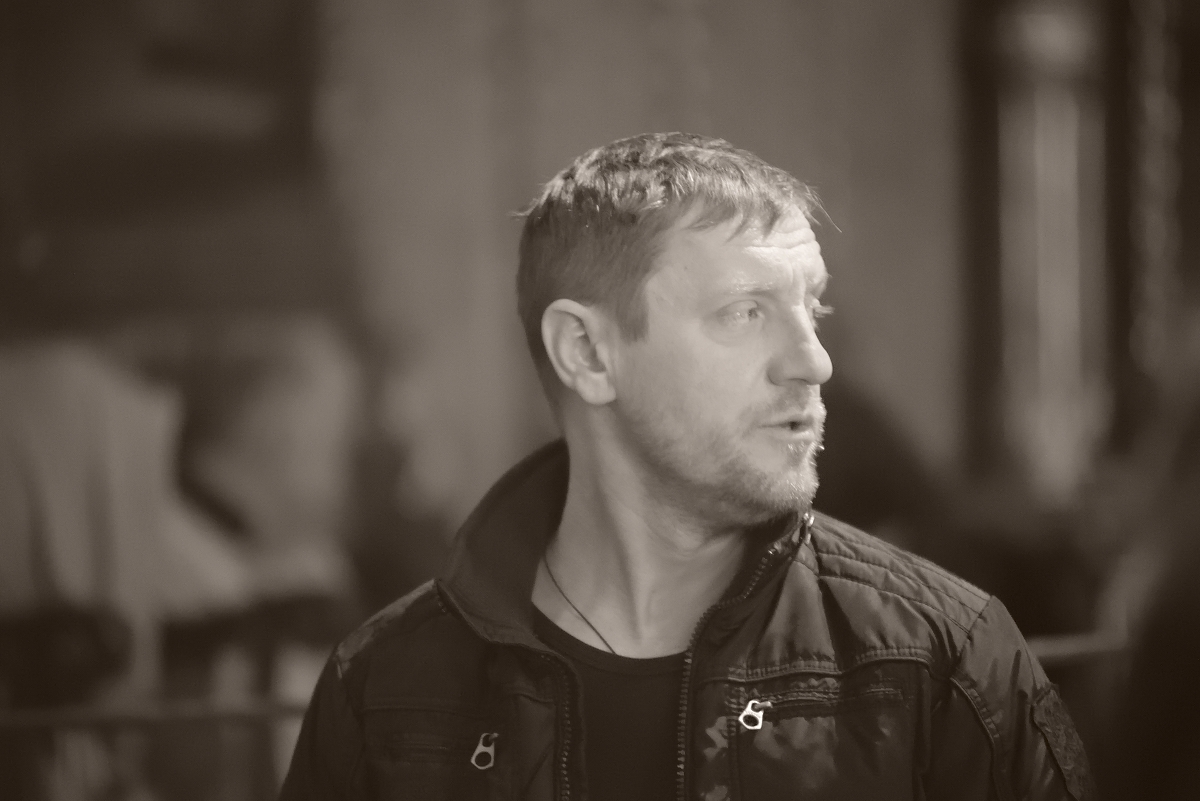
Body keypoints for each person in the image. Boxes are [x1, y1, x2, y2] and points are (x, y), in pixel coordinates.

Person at [280, 133, 1093, 800]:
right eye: (745, 312)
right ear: (586, 352)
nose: (814, 361)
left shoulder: (943, 658)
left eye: (812, 307)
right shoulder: (385, 687)